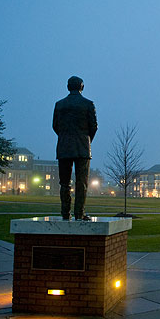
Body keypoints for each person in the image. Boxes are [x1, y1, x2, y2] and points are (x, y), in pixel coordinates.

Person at [53, 76, 98, 220]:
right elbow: (94, 127)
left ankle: (65, 213)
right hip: (82, 148)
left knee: (64, 183)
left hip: (64, 147)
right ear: (82, 87)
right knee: (81, 183)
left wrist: (65, 137)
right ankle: (80, 213)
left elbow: (55, 126)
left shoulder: (59, 105)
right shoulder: (88, 104)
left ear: (68, 87)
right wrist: (86, 140)